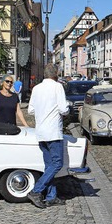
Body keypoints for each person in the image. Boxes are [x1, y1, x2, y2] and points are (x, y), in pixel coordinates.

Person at [26, 64, 69, 209]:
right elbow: (63, 109)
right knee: (57, 164)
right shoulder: (57, 87)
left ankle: (51, 196)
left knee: (49, 165)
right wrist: (67, 107)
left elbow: (31, 110)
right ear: (56, 74)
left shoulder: (37, 88)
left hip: (41, 132)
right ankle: (36, 191)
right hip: (53, 131)